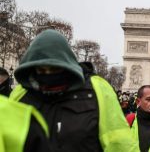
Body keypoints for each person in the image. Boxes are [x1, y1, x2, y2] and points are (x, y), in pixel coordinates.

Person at [9, 29, 139, 152]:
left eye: (54, 69)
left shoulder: (98, 88)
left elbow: (118, 143)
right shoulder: (20, 92)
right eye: (41, 71)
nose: (48, 75)